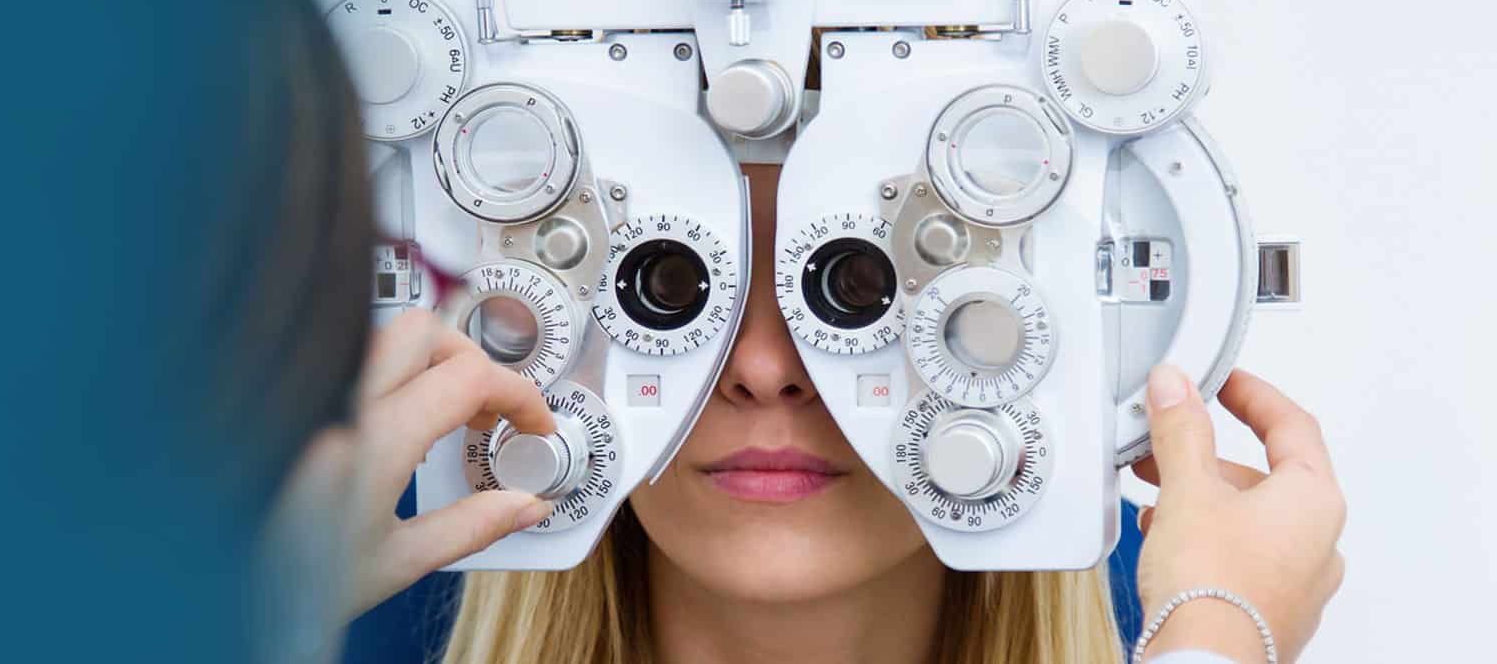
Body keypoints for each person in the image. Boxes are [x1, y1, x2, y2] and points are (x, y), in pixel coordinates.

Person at [282, 163, 1345, 663]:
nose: (761, 369)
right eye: (674, 284)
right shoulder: (347, 613)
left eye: (857, 288)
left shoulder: (1153, 615)